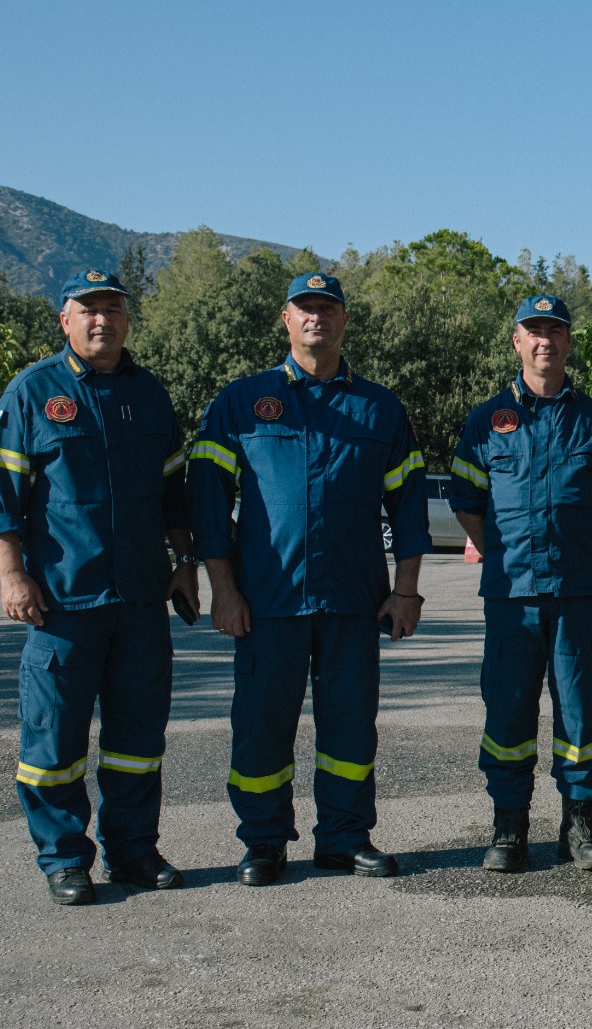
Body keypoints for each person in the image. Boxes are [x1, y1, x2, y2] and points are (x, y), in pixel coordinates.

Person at [188, 272, 430, 886]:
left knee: (350, 725)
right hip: (266, 602)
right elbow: (208, 499)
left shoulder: (379, 407)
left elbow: (407, 505)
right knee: (262, 726)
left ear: (345, 320)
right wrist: (223, 587)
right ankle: (263, 843)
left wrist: (406, 589)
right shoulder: (242, 402)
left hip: (355, 600)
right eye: (305, 308)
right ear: (286, 319)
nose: (316, 317)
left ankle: (345, 838)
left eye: (328, 308)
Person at [0, 268, 196, 904]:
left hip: (139, 600)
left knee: (137, 740)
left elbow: (174, 493)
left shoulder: (151, 395)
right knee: (53, 741)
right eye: (88, 309)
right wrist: (12, 573)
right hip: (62, 603)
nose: (103, 319)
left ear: (128, 320)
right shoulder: (32, 392)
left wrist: (185, 562)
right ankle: (64, 857)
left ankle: (132, 852)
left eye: (114, 309)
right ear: (65, 321)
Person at [449, 294, 592, 873]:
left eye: (555, 330)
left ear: (568, 342)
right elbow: (468, 505)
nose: (544, 340)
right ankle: (509, 827)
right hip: (512, 594)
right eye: (534, 331)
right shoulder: (486, 421)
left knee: (581, 712)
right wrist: (507, 554)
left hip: (579, 593)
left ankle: (579, 823)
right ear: (517, 341)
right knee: (507, 713)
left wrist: (581, 557)